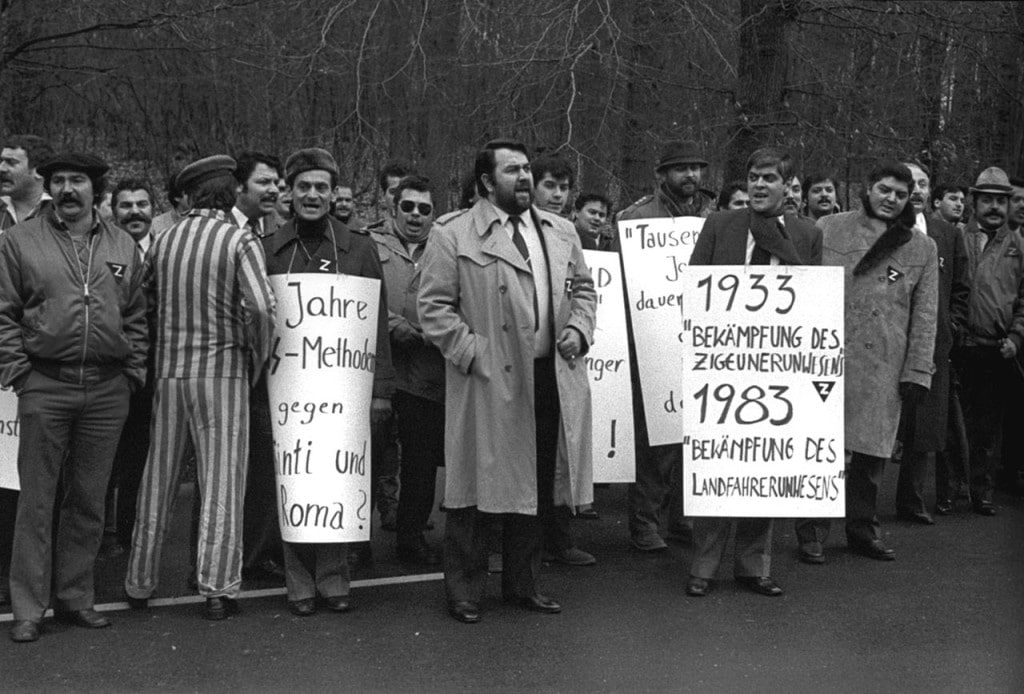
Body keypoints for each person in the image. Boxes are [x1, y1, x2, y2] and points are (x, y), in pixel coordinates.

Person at [418, 139, 596, 624]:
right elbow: (433, 307)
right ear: (485, 182)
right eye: (512, 170)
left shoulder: (559, 231)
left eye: (526, 170)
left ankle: (524, 584)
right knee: (475, 488)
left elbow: (583, 287)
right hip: (488, 381)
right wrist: (474, 353)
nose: (524, 178)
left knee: (534, 488)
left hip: (548, 377)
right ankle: (465, 590)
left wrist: (579, 328)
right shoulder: (453, 233)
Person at [0, 152, 147, 643]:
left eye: (77, 181)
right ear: (48, 188)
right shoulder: (20, 242)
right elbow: (4, 313)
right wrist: (19, 373)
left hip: (107, 389)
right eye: (59, 180)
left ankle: (74, 597)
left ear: (95, 190)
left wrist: (132, 372)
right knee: (36, 501)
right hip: (46, 382)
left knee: (87, 499)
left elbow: (136, 317)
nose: (67, 189)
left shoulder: (124, 244)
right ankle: (27, 607)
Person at [124, 155, 275, 620]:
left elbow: (139, 298)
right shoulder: (239, 239)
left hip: (169, 374)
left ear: (192, 195)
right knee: (222, 481)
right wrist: (258, 356)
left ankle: (139, 581)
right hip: (223, 372)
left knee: (158, 478)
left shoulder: (165, 240)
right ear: (227, 193)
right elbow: (263, 308)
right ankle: (218, 586)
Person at [685, 147, 821, 598]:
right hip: (722, 367)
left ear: (788, 186)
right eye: (753, 177)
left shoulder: (806, 234)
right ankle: (703, 566)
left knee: (764, 470)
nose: (759, 186)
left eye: (769, 179)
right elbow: (694, 292)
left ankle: (752, 566)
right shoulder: (721, 225)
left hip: (777, 369)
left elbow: (814, 307)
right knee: (717, 467)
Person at [263, 148, 393, 616]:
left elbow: (376, 321)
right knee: (295, 480)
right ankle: (298, 580)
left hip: (344, 388)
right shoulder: (267, 249)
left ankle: (334, 576)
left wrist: (381, 389)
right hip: (289, 392)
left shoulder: (358, 247)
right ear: (289, 192)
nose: (312, 195)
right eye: (304, 187)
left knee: (336, 477)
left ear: (333, 192)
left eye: (321, 187)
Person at [796, 161, 937, 563]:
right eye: (884, 190)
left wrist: (917, 371)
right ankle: (812, 532)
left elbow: (925, 316)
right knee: (822, 449)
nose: (891, 199)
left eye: (900, 194)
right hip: (827, 354)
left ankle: (863, 529)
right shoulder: (830, 228)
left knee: (872, 455)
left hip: (884, 362)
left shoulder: (921, 247)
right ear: (867, 189)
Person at [614, 140, 713, 552]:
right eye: (681, 169)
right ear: (661, 175)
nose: (691, 176)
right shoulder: (636, 220)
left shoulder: (713, 218)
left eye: (696, 168)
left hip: (699, 340)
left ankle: (682, 518)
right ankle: (645, 522)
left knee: (694, 437)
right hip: (652, 339)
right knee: (655, 441)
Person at [371, 175, 443, 566]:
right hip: (378, 370)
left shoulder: (445, 248)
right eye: (408, 207)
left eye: (425, 209)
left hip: (424, 373)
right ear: (393, 208)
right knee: (368, 459)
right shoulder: (369, 244)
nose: (416, 215)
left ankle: (411, 537)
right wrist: (393, 325)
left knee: (420, 462)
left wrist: (429, 331)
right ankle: (353, 542)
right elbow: (359, 295)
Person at [894, 162, 969, 524]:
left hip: (933, 342)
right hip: (890, 338)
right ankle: (860, 508)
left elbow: (961, 289)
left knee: (925, 426)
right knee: (884, 420)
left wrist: (950, 326)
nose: (919, 191)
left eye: (924, 183)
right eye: (912, 184)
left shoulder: (947, 234)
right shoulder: (887, 230)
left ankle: (912, 501)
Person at [0, 134, 53, 609]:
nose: (2, 166)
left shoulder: (59, 216)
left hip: (37, 362)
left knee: (32, 473)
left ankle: (38, 573)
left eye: (12, 161)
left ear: (35, 172)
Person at [230, 151, 286, 583]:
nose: (273, 190)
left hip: (272, 368)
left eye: (276, 183)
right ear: (239, 187)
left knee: (266, 464)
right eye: (264, 182)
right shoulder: (225, 232)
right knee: (227, 467)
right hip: (232, 364)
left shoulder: (274, 234)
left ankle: (258, 552)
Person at [958, 167, 1024, 516]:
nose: (995, 207)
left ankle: (982, 490)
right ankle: (951, 487)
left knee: (989, 424)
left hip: (997, 348)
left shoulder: (1018, 245)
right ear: (975, 202)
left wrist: (1016, 335)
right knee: (955, 423)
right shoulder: (957, 237)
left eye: (1001, 200)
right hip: (960, 344)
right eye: (988, 200)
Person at [105, 179, 159, 555]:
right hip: (109, 369)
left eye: (142, 204)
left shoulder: (164, 249)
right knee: (103, 456)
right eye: (126, 205)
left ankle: (129, 533)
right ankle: (99, 533)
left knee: (139, 454)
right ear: (113, 210)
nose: (135, 212)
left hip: (154, 368)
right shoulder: (101, 250)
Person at [0, 135, 53, 231]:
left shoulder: (60, 214)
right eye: (1, 161)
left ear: (39, 171)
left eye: (11, 162)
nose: (1, 168)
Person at [231, 151, 282, 240]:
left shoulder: (284, 230)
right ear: (239, 185)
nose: (275, 190)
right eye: (264, 182)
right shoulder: (217, 229)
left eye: (276, 183)